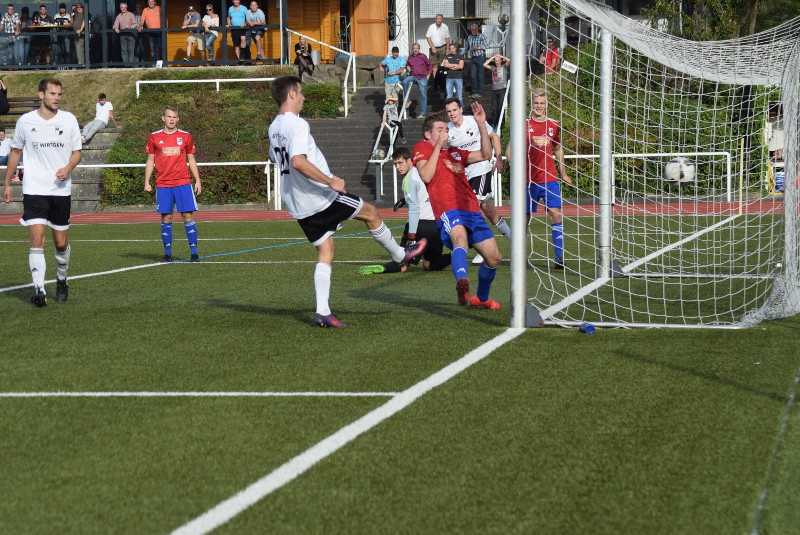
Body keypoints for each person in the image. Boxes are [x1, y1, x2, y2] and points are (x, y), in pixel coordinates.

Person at [267, 75, 427, 328]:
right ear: (292, 95)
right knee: (371, 212)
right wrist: (330, 182)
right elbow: (297, 161)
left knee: (326, 251)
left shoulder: (274, 127)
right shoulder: (296, 124)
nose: (304, 97)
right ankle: (400, 256)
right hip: (320, 196)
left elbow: (277, 160)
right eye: (301, 92)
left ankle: (322, 311)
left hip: (297, 203)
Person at [2, 77, 82, 307]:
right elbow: (15, 152)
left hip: (60, 190)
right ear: (41, 95)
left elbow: (77, 152)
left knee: (60, 243)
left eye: (59, 94)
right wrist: (7, 182)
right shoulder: (25, 122)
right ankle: (39, 289)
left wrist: (67, 168)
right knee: (37, 239)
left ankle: (61, 277)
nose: (57, 98)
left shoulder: (68, 120)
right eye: (52, 94)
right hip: (34, 188)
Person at [412, 105, 502, 309]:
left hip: (471, 208)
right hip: (448, 208)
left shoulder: (456, 152)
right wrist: (437, 147)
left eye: (446, 129)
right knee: (459, 238)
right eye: (440, 129)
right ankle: (462, 281)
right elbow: (426, 175)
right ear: (428, 134)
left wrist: (481, 125)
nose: (446, 133)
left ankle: (481, 298)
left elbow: (486, 155)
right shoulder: (422, 147)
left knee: (494, 258)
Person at [358, 147, 451, 275]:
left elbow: (414, 210)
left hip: (419, 226)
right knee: (430, 264)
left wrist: (411, 236)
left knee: (402, 263)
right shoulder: (425, 172)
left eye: (400, 163)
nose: (397, 167)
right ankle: (456, 255)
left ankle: (383, 268)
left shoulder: (409, 179)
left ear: (410, 161)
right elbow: (425, 193)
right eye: (395, 164)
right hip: (436, 226)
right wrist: (404, 199)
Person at [506, 88, 571, 269]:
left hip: (550, 179)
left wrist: (563, 173)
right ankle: (520, 257)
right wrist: (514, 170)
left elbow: (558, 149)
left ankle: (559, 258)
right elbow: (510, 150)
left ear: (546, 105)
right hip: (527, 181)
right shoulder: (522, 124)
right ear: (532, 104)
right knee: (524, 218)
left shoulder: (553, 125)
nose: (539, 106)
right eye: (536, 103)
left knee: (556, 216)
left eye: (542, 103)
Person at [444, 97, 510, 265]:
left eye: (454, 110)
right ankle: (515, 241)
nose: (452, 114)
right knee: (489, 211)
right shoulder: (448, 131)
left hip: (481, 168)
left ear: (460, 109)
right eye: (449, 111)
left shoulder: (473, 121)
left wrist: (499, 159)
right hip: (464, 175)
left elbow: (494, 137)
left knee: (472, 207)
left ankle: (483, 247)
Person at [144, 105, 202, 263]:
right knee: (167, 217)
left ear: (178, 119)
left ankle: (194, 253)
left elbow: (191, 159)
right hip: (163, 184)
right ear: (163, 118)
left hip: (183, 182)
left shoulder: (186, 136)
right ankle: (167, 254)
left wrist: (197, 180)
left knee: (187, 216)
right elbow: (150, 160)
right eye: (169, 116)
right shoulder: (154, 137)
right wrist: (147, 181)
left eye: (174, 117)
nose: (172, 119)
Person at [402, 43, 431, 119]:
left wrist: (428, 76)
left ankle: (423, 113)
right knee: (405, 82)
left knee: (423, 95)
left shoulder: (423, 56)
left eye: (417, 48)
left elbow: (429, 66)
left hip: (422, 77)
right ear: (412, 49)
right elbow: (407, 64)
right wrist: (407, 66)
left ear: (419, 49)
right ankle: (408, 100)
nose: (415, 50)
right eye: (414, 48)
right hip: (413, 76)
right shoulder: (410, 57)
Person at [484, 53, 510, 129]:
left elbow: (509, 60)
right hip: (495, 90)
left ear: (501, 61)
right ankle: (494, 124)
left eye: (498, 61)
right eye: (496, 61)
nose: (497, 62)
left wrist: (500, 56)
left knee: (500, 107)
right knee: (494, 108)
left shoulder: (504, 67)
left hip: (502, 89)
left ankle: (501, 123)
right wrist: (493, 57)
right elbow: (485, 64)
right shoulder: (493, 68)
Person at [465, 24, 488, 98]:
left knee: (480, 75)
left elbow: (487, 46)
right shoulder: (469, 37)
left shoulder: (481, 36)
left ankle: (479, 92)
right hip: (473, 58)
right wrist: (460, 55)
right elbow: (466, 48)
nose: (474, 31)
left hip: (480, 57)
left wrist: (478, 48)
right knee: (473, 76)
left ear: (477, 30)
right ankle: (474, 92)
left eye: (475, 29)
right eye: (472, 30)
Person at [425, 13, 450, 80]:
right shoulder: (431, 27)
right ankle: (436, 80)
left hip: (442, 47)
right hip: (433, 48)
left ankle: (442, 80)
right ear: (435, 19)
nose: (439, 20)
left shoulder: (445, 27)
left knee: (442, 65)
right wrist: (432, 46)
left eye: (440, 19)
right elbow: (428, 38)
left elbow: (447, 38)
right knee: (434, 65)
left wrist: (447, 48)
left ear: (442, 20)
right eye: (437, 18)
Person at [227, 0, 247, 64]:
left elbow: (248, 18)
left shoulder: (244, 8)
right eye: (234, 0)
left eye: (237, 0)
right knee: (236, 45)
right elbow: (228, 17)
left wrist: (245, 24)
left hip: (242, 28)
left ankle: (242, 57)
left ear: (239, 1)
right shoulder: (230, 8)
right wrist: (229, 24)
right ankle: (239, 60)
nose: (236, 1)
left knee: (243, 39)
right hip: (234, 28)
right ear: (232, 1)